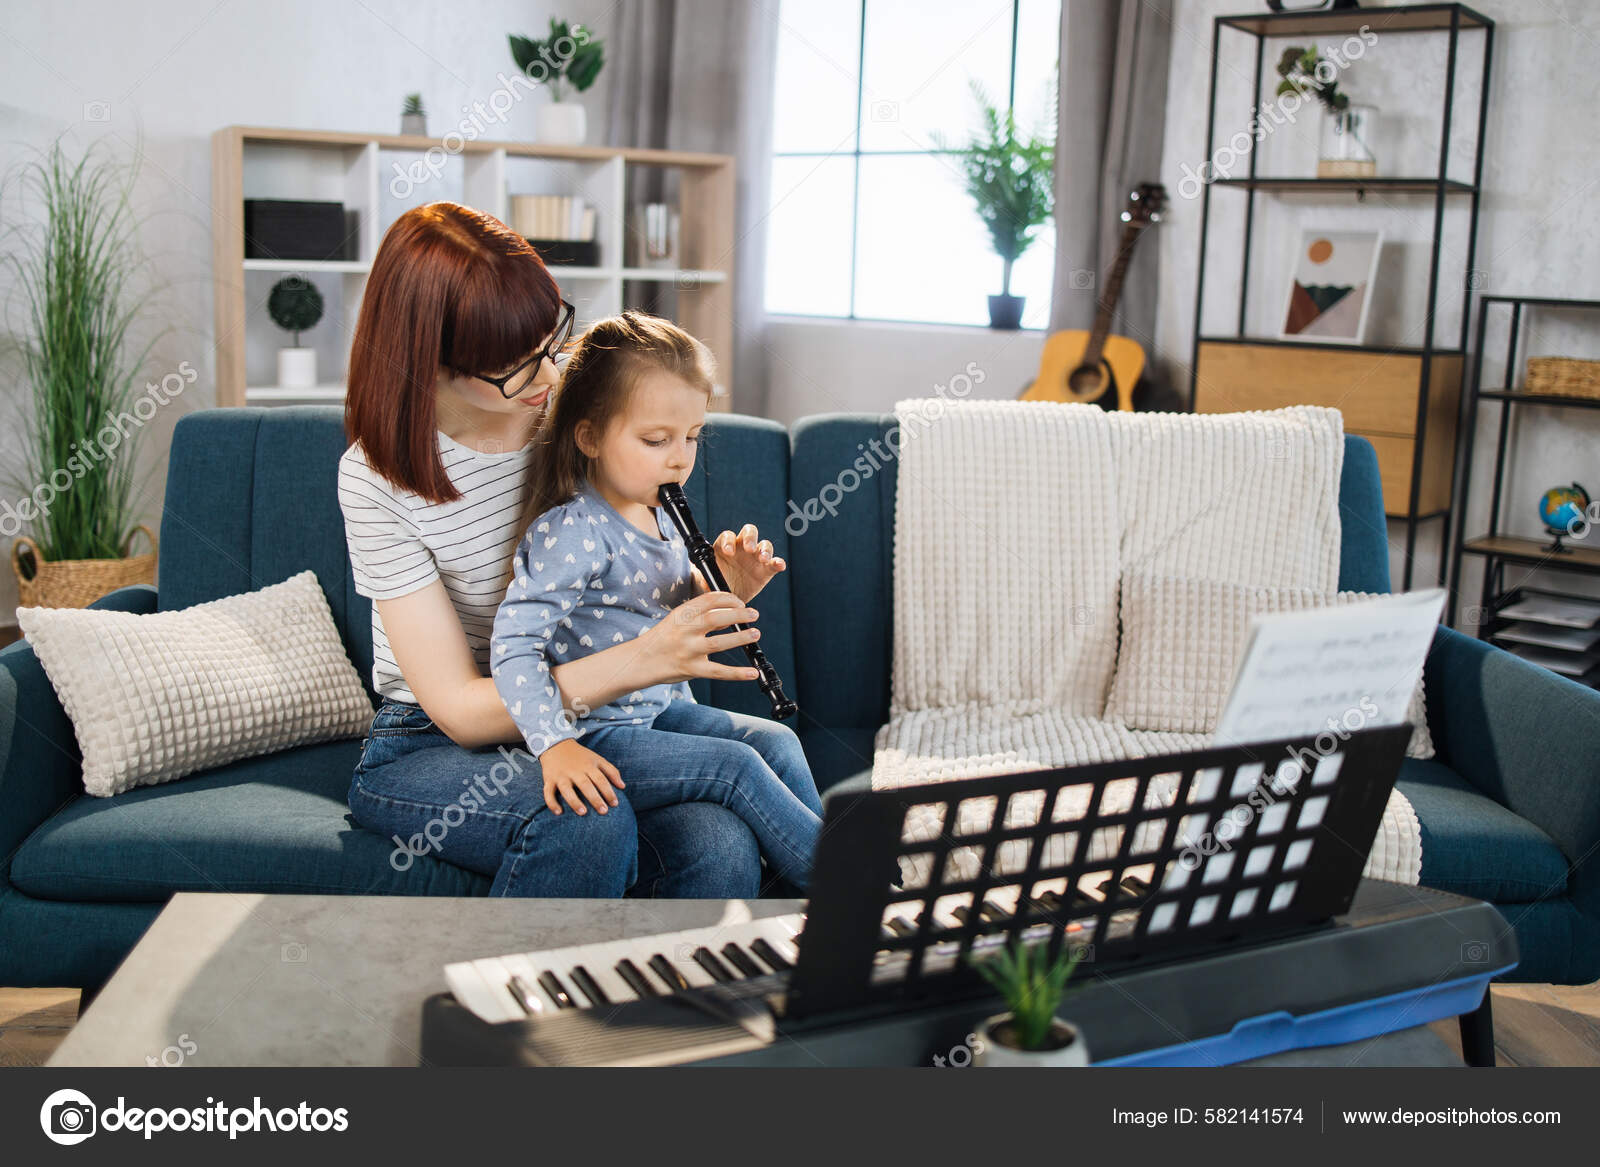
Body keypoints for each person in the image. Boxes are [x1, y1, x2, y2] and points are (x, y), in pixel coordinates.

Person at [337, 202, 770, 897]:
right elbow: (459, 708)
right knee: (587, 821)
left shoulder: (575, 414)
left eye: (551, 339)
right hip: (434, 741)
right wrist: (640, 659)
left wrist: (714, 588)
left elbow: (631, 577)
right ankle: (514, 1005)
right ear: (431, 364)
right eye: (516, 366)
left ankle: (668, 1009)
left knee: (719, 843)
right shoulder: (377, 479)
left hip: (602, 717)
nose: (547, 374)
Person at [490, 310, 824, 891]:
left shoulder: (660, 511)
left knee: (776, 740)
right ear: (589, 435)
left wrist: (725, 585)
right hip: (596, 730)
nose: (679, 457)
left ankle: (791, 893)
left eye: (691, 437)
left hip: (657, 712)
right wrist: (554, 745)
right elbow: (513, 649)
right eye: (655, 440)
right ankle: (844, 891)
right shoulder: (573, 532)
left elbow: (657, 610)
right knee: (736, 767)